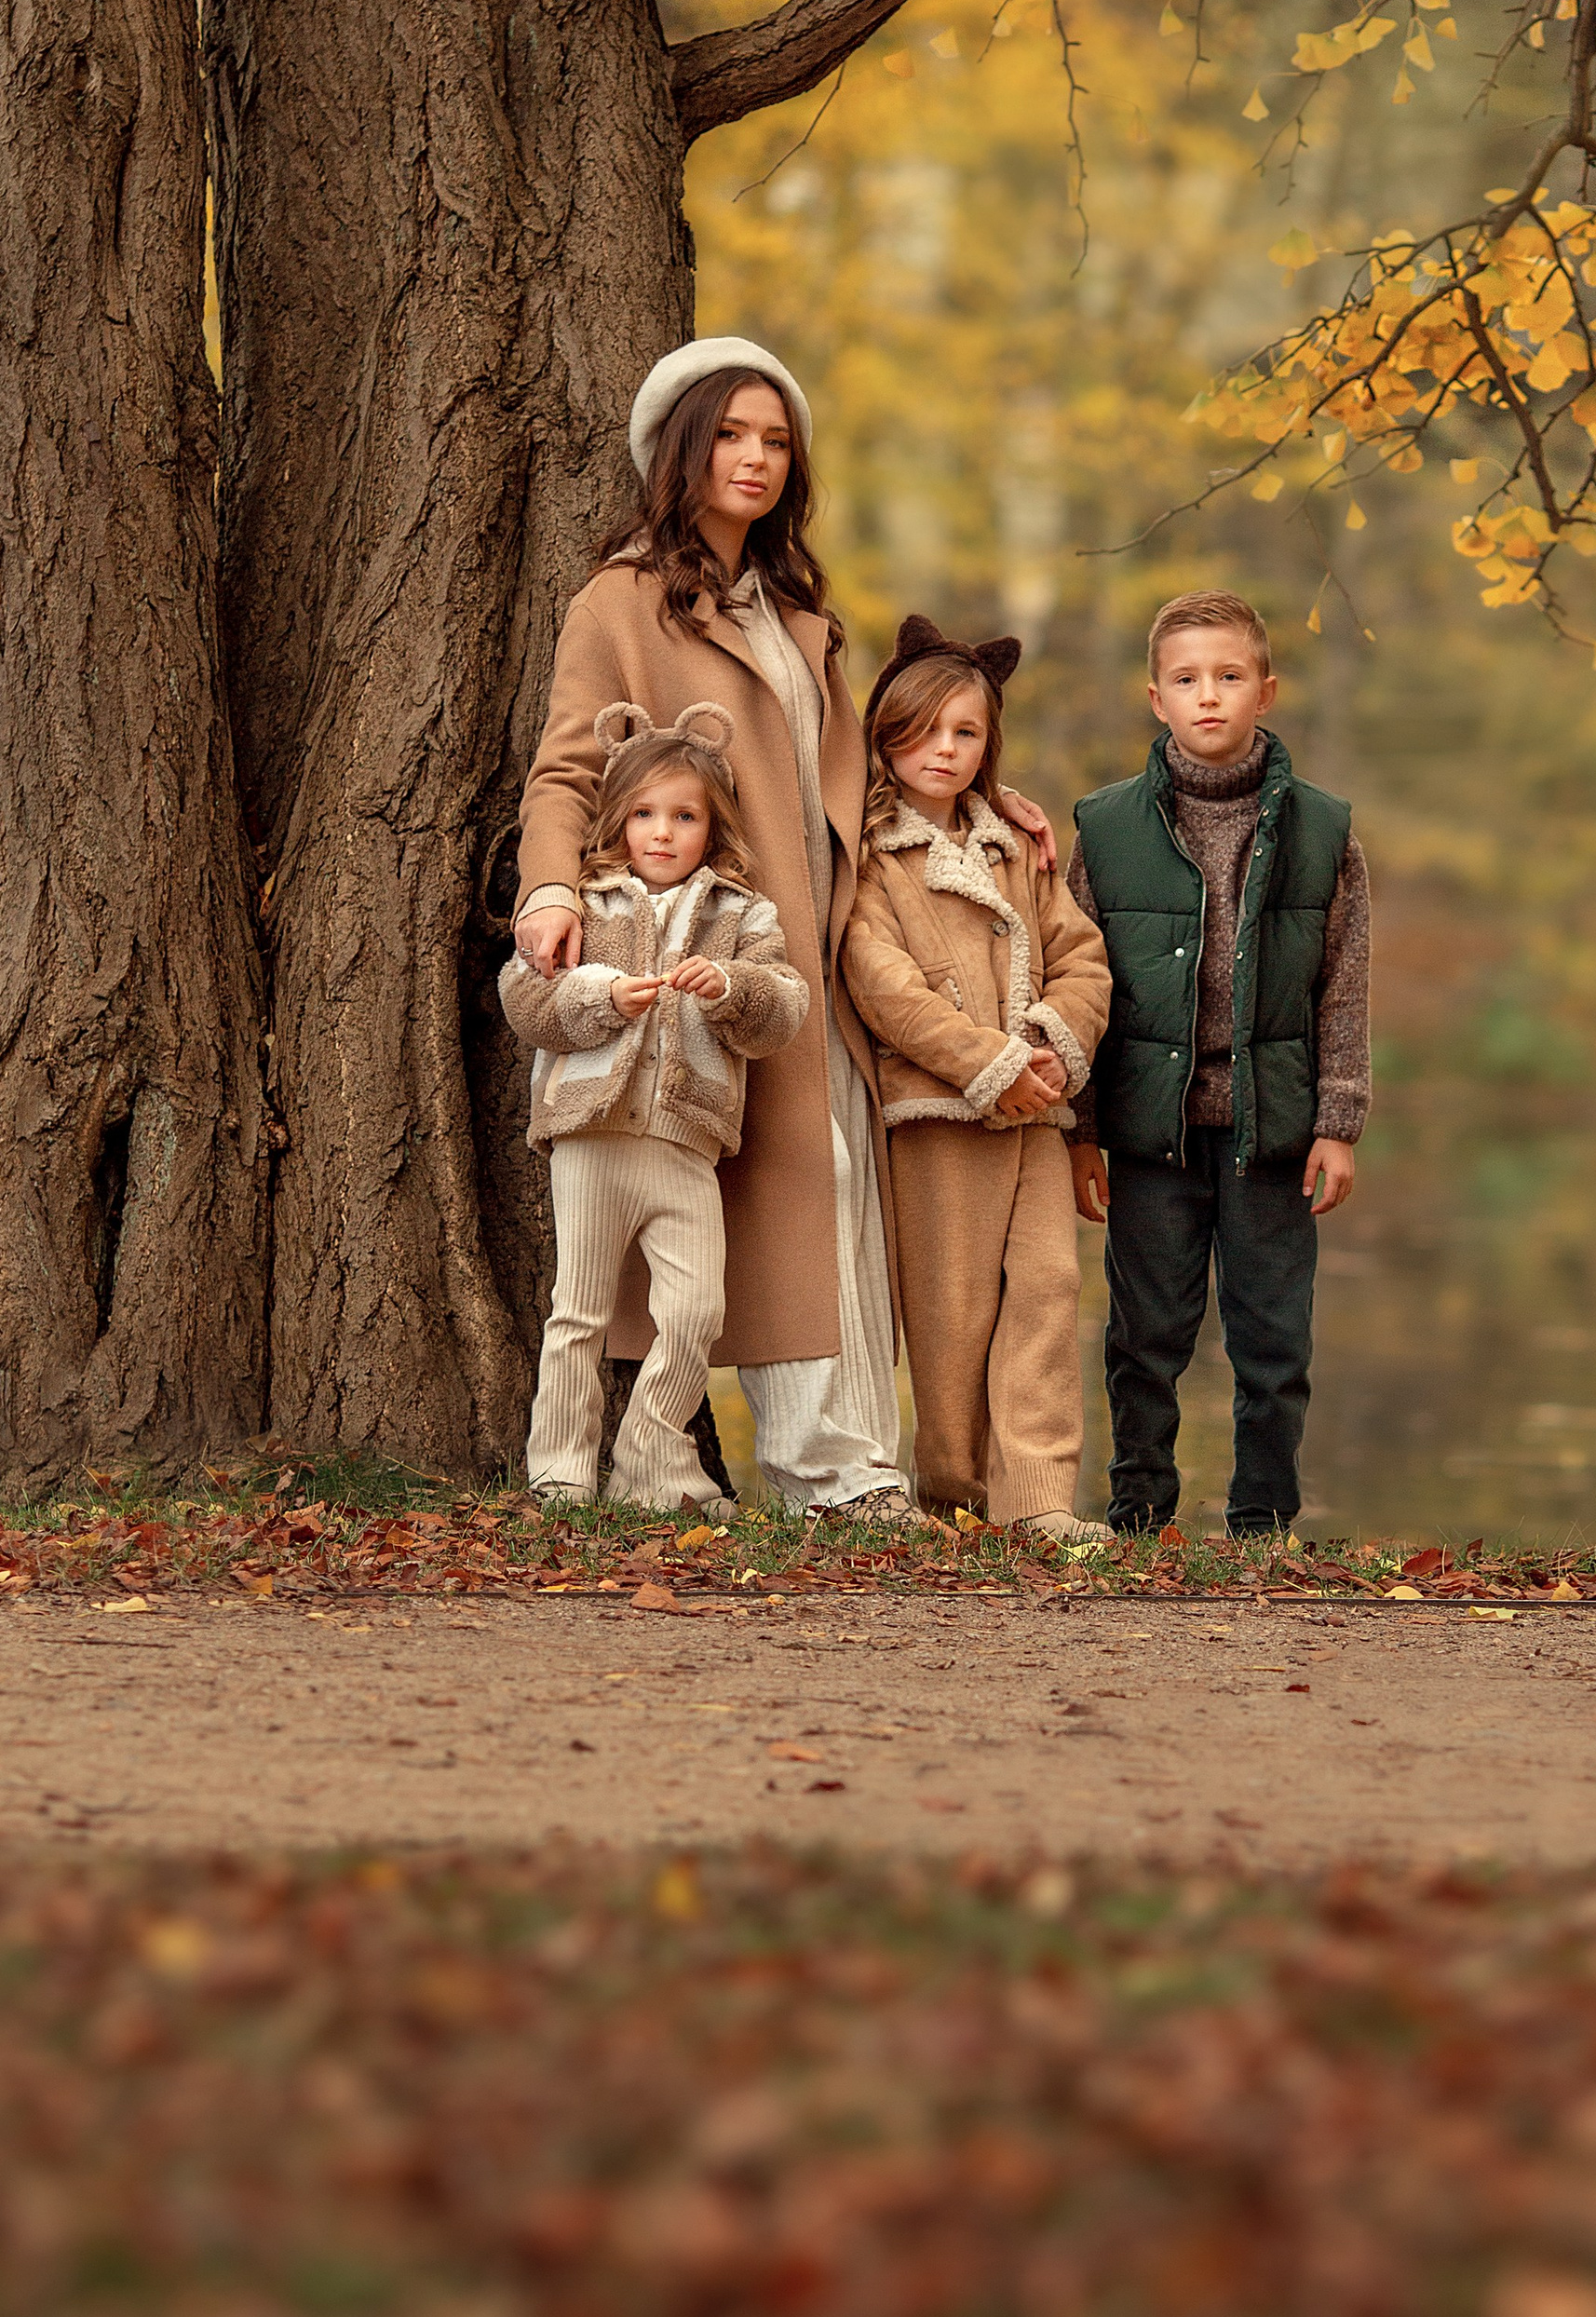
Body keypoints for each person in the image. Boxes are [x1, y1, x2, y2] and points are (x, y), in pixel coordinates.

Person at [512, 335, 1054, 1523]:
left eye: (775, 441)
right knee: (780, 1202)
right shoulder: (618, 603)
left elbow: (845, 784)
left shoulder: (797, 611)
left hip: (819, 958)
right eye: (732, 436)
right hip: (700, 953)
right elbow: (565, 772)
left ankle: (844, 1469)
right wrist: (549, 890)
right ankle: (828, 1475)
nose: (755, 458)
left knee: (839, 1197)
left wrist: (972, 799)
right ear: (680, 451)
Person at [1068, 591, 1372, 1539]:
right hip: (1149, 1132)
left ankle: (1261, 1524)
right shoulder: (1106, 829)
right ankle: (1137, 1514)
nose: (1210, 696)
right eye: (1188, 679)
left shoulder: (1322, 833)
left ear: (1265, 691)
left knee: (1273, 1341)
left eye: (1229, 677)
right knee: (1143, 1337)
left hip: (1270, 1131)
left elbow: (1343, 981)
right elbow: (1076, 985)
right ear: (1155, 698)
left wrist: (1337, 1118)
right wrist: (1078, 1130)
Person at [843, 617, 1114, 1545]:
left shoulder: (1014, 846)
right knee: (950, 1310)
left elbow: (1082, 958)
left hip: (1036, 1113)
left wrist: (1046, 1044)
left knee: (1046, 1288)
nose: (943, 751)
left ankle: (1037, 1494)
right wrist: (986, 1064)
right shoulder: (870, 855)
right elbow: (881, 982)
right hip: (938, 1114)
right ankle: (950, 1486)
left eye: (965, 733)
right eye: (921, 732)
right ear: (883, 736)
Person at [499, 701, 806, 1510]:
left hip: (685, 1141)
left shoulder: (741, 914)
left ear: (713, 826)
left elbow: (784, 1009)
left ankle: (645, 1455)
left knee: (697, 1311)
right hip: (592, 1135)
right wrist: (601, 998)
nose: (662, 832)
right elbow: (524, 996)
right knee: (580, 1310)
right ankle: (561, 1469)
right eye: (642, 814)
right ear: (616, 820)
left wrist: (731, 988)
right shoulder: (587, 904)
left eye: (683, 816)